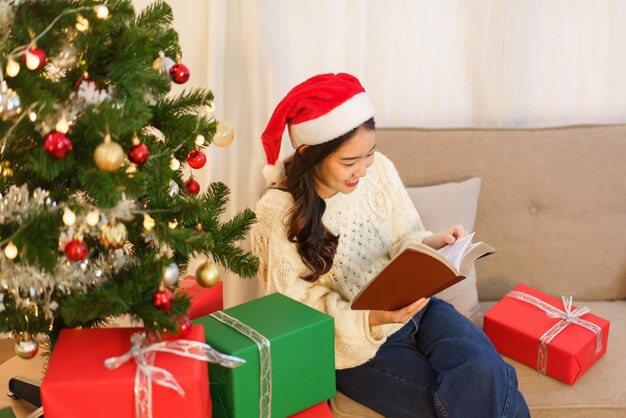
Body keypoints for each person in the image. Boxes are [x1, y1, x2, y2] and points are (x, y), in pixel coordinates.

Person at [251, 73, 529, 418]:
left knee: (486, 372)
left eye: (368, 154)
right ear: (309, 153)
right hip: (359, 346)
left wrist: (432, 242)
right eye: (349, 162)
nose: (363, 171)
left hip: (420, 308)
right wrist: (370, 319)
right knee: (482, 393)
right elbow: (294, 311)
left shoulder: (380, 170)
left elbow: (404, 237)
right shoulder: (277, 211)